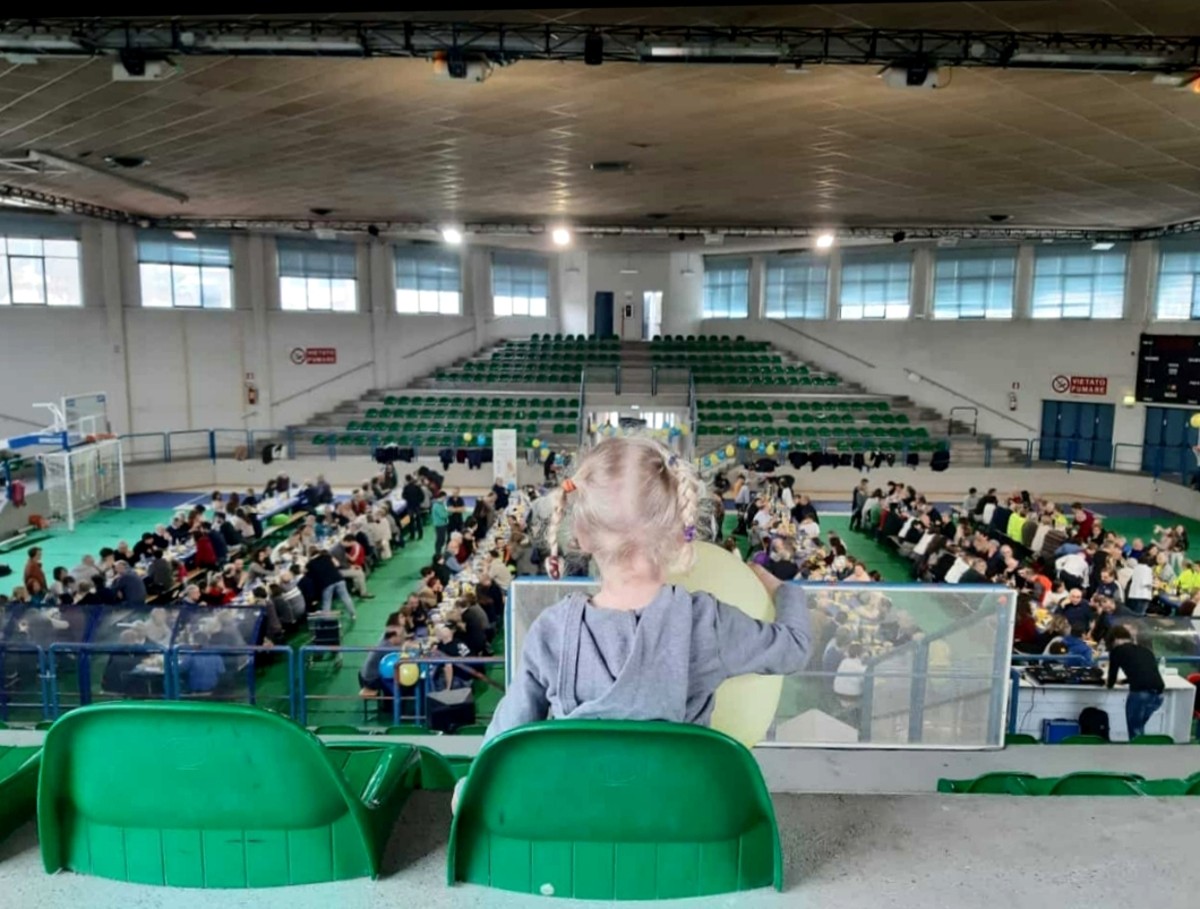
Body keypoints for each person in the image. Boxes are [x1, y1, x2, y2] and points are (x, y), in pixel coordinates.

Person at [483, 436, 812, 744]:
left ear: (580, 534)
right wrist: (784, 590)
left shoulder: (550, 632)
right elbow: (795, 647)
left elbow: (502, 745)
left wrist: (468, 789)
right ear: (678, 532)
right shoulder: (706, 624)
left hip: (576, 805)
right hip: (680, 804)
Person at [1105, 625, 1165, 740]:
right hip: (1159, 695)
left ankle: (1136, 756)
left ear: (1114, 639)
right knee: (1139, 728)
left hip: (1140, 693)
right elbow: (1145, 670)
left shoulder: (1117, 651)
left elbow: (1112, 677)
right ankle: (1142, 754)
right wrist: (1124, 681)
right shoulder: (1145, 650)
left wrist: (1109, 684)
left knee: (1135, 731)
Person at [304, 546, 357, 618]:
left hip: (326, 584)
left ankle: (326, 621)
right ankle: (353, 614)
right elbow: (337, 564)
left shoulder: (310, 564)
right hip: (338, 579)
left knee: (327, 603)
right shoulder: (327, 557)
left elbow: (306, 573)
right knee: (346, 598)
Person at [432, 491, 451, 556]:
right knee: (440, 540)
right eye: (444, 497)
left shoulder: (441, 504)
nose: (445, 499)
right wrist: (450, 512)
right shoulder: (437, 505)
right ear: (442, 497)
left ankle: (439, 552)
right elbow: (443, 515)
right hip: (439, 525)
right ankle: (437, 553)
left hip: (443, 524)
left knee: (442, 539)